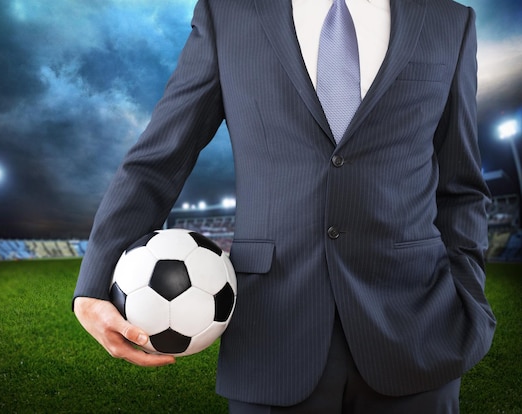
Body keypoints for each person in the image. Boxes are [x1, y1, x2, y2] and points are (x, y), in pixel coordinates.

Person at [73, 0, 496, 412]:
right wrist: (92, 287)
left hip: (418, 334)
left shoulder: (448, 21)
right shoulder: (229, 14)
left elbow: (460, 187)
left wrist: (470, 299)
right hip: (271, 337)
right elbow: (159, 159)